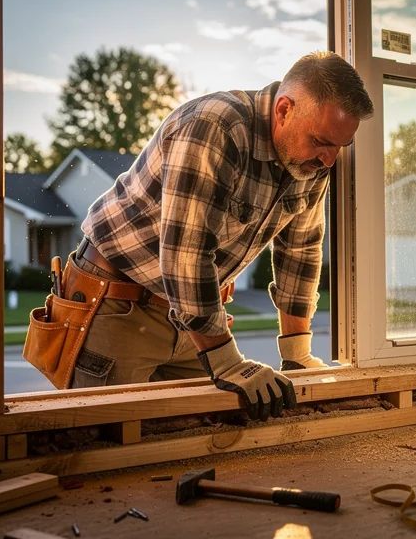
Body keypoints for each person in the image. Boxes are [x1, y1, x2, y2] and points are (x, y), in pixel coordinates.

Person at [63, 51, 373, 421]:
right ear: (284, 110)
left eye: (340, 146)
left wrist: (297, 353)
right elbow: (186, 254)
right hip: (119, 306)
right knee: (104, 436)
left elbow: (301, 252)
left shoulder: (309, 162)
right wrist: (225, 361)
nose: (329, 160)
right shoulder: (215, 127)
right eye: (321, 141)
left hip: (191, 316)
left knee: (211, 428)